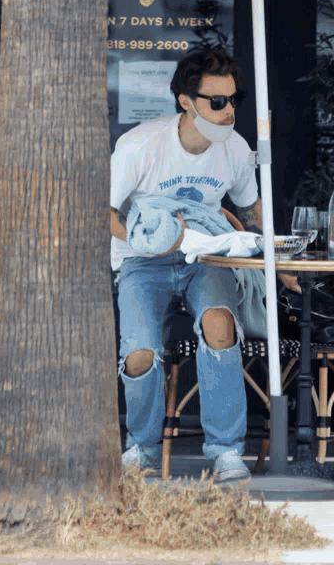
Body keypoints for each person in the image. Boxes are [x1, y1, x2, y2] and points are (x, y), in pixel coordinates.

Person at [110, 48, 265, 481]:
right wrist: (147, 239)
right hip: (143, 261)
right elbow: (101, 211)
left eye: (235, 100)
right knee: (140, 354)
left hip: (206, 257)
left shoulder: (236, 148)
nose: (229, 110)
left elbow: (251, 211)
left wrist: (272, 258)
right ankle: (140, 449)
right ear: (186, 101)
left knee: (220, 324)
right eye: (217, 102)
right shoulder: (141, 145)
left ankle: (226, 451)